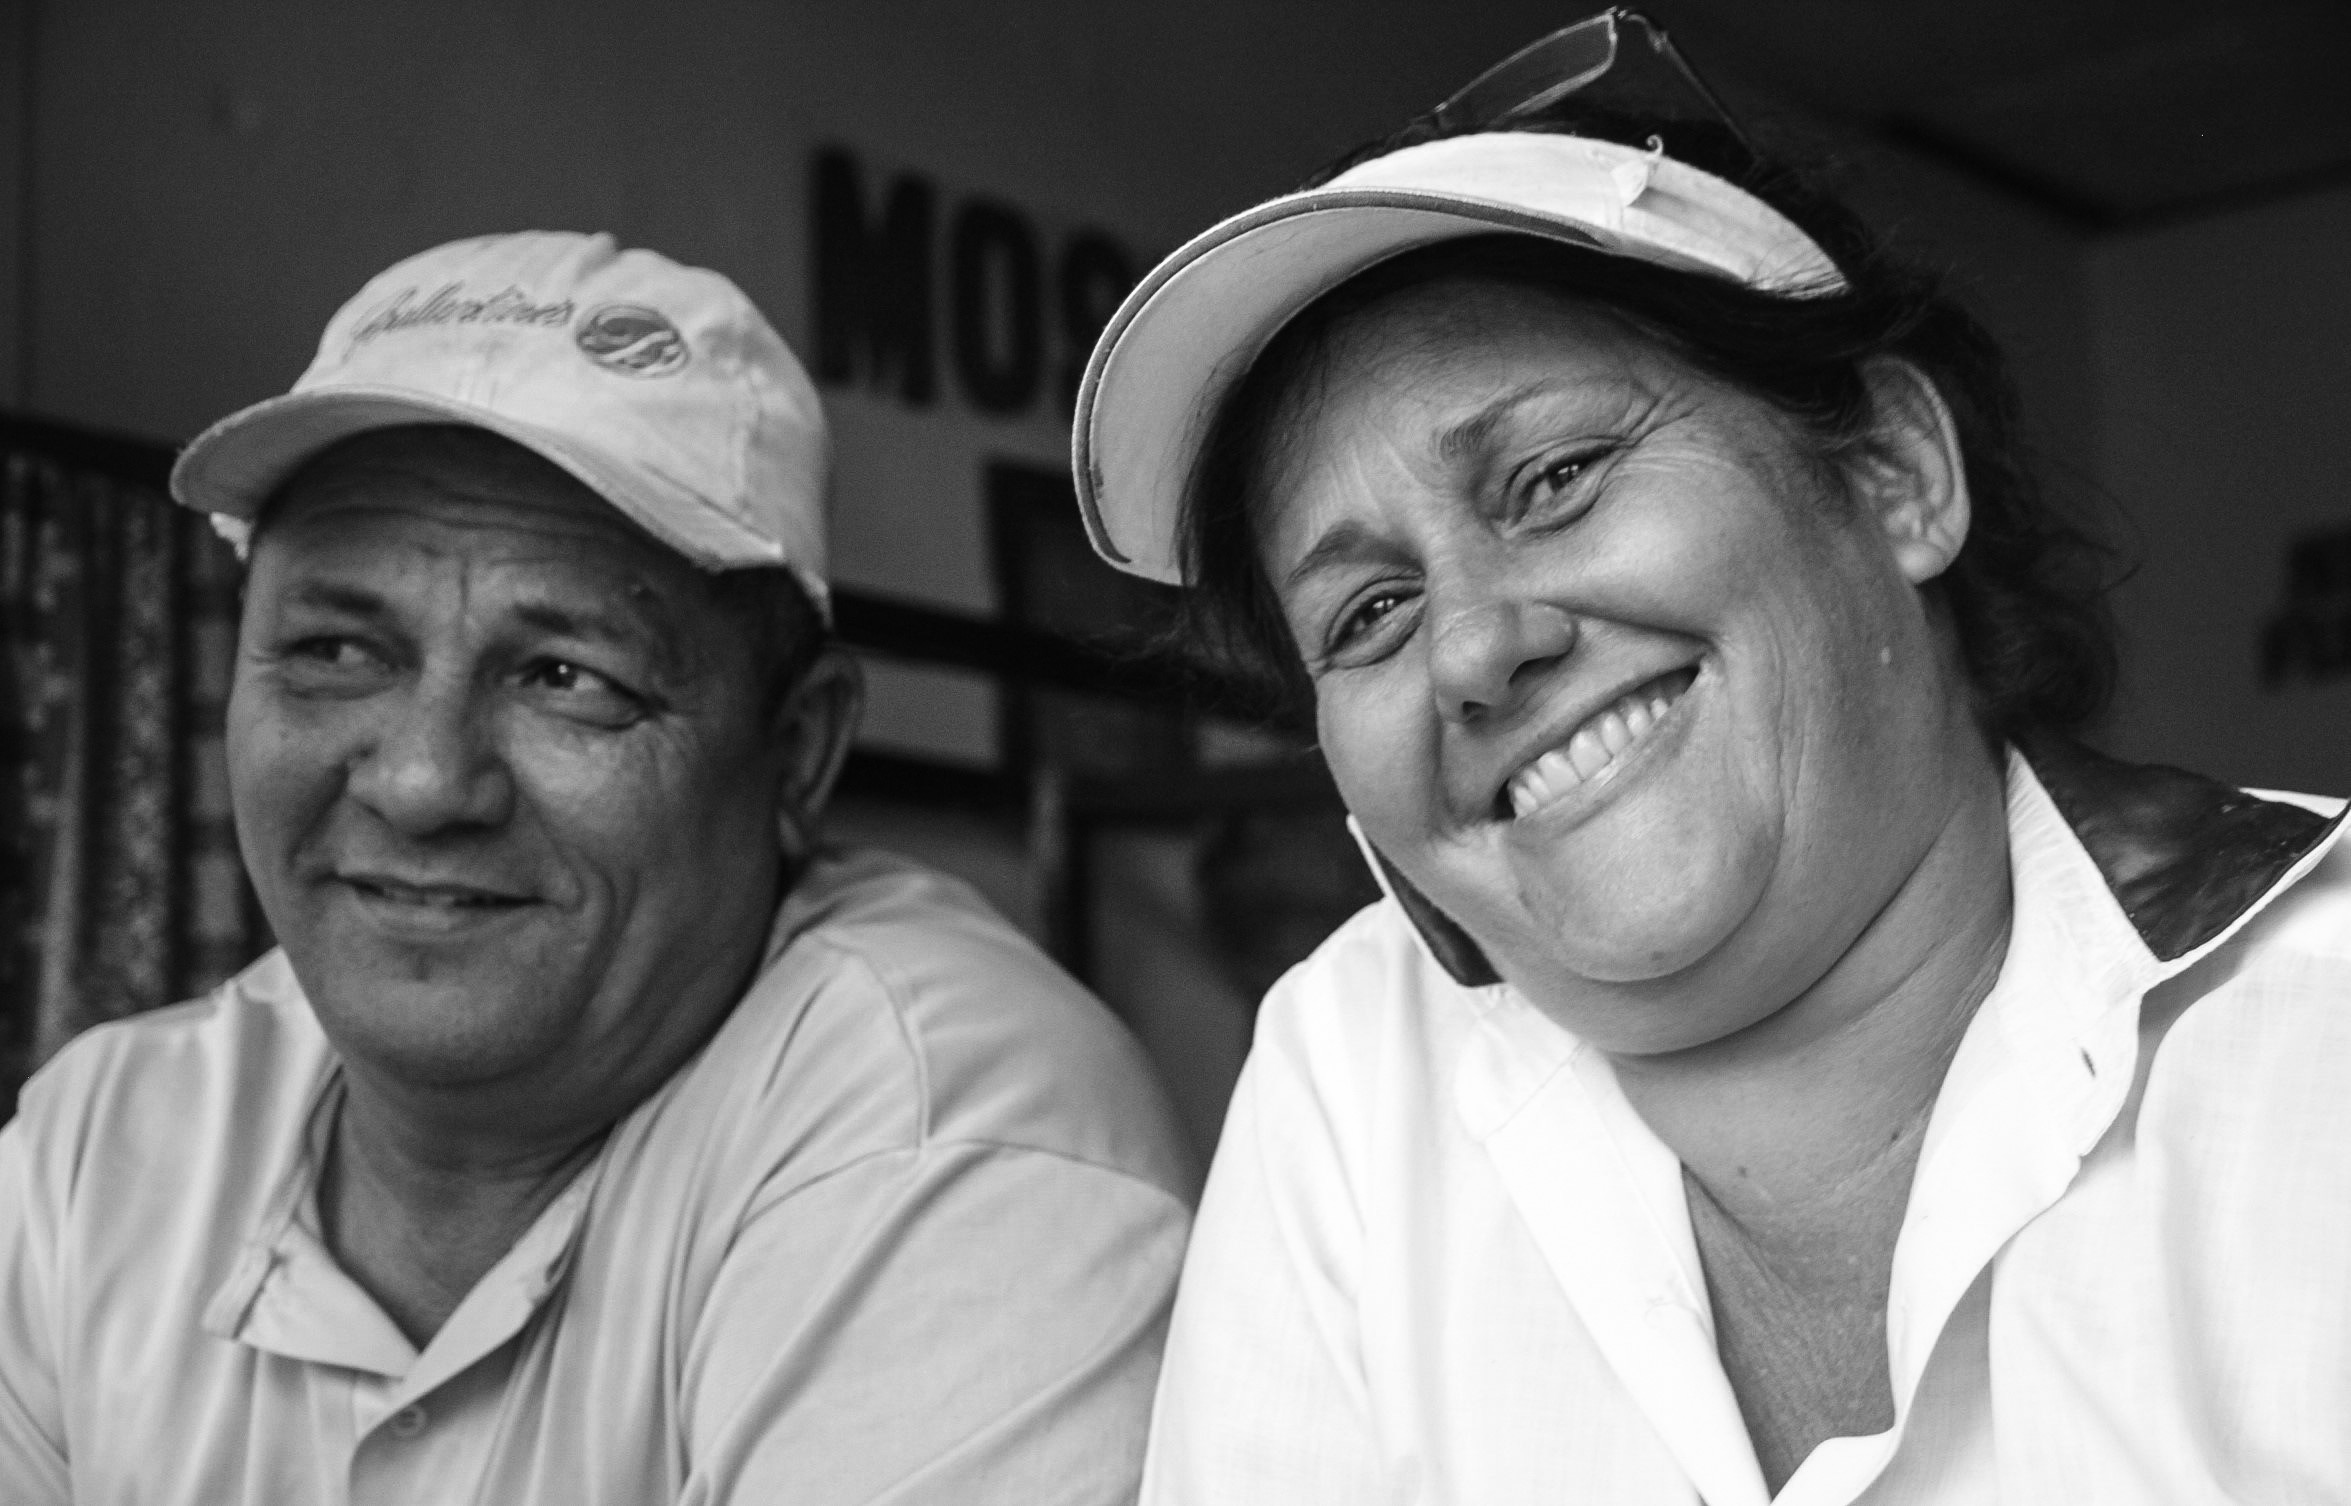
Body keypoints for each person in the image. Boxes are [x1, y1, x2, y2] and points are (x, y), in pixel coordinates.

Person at [1071, 11, 2351, 1503]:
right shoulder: (1360, 1071)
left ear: (1890, 475)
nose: (1473, 650)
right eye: (1366, 612)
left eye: (1551, 478)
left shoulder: (2304, 1045)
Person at [0, 231, 1195, 1504]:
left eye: (566, 677)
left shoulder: (951, 1131)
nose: (419, 781)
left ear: (794, 755)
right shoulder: (101, 1150)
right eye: (338, 648)